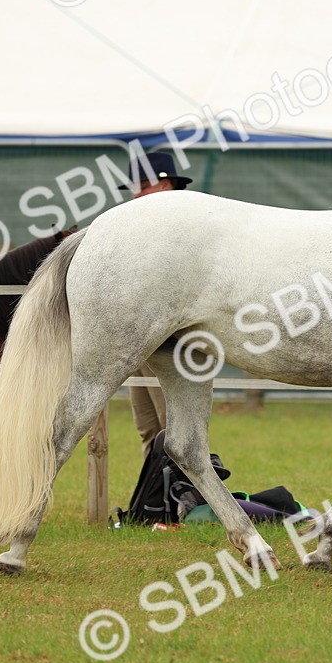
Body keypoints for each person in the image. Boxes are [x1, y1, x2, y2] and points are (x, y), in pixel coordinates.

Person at [119, 151, 194, 461]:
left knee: (174, 429)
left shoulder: (187, 227)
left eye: (143, 185)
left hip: (170, 342)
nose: (137, 193)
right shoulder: (136, 229)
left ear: (165, 186)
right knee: (148, 427)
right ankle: (155, 500)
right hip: (137, 341)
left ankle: (181, 499)